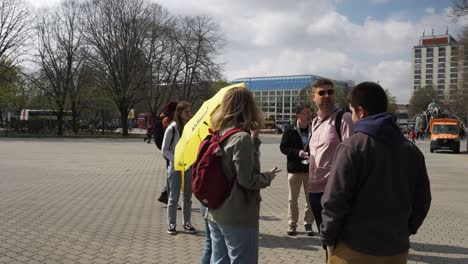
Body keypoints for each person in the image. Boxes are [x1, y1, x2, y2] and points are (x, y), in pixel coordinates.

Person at [320, 81, 432, 264]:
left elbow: (334, 200)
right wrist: (406, 230)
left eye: (352, 112)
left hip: (353, 248)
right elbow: (423, 199)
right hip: (396, 250)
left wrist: (328, 238)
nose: (352, 119)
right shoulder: (412, 151)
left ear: (361, 112)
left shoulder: (351, 147)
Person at [204, 87, 280, 264]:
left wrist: (254, 140)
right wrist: (268, 177)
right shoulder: (240, 138)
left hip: (214, 212)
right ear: (248, 107)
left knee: (219, 260)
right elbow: (247, 180)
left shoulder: (219, 133)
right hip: (237, 215)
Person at [307, 78, 354, 257]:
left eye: (330, 92)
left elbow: (352, 157)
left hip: (333, 191)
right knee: (325, 242)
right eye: (321, 93)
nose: (326, 96)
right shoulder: (315, 122)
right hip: (314, 190)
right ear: (314, 97)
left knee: (337, 243)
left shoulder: (344, 118)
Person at [162, 101, 196, 235]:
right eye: (186, 111)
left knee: (187, 197)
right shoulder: (172, 128)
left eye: (190, 111)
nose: (189, 114)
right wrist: (176, 161)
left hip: (188, 167)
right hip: (175, 167)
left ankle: (187, 223)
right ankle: (171, 224)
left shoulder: (191, 128)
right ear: (179, 113)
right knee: (173, 196)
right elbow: (164, 150)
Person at [280, 105, 315, 236]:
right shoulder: (290, 129)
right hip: (294, 169)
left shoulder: (314, 128)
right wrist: (297, 152)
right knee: (292, 199)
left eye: (309, 112)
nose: (309, 115)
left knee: (309, 198)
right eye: (305, 113)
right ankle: (292, 224)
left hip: (309, 168)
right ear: (299, 115)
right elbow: (283, 148)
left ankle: (308, 224)